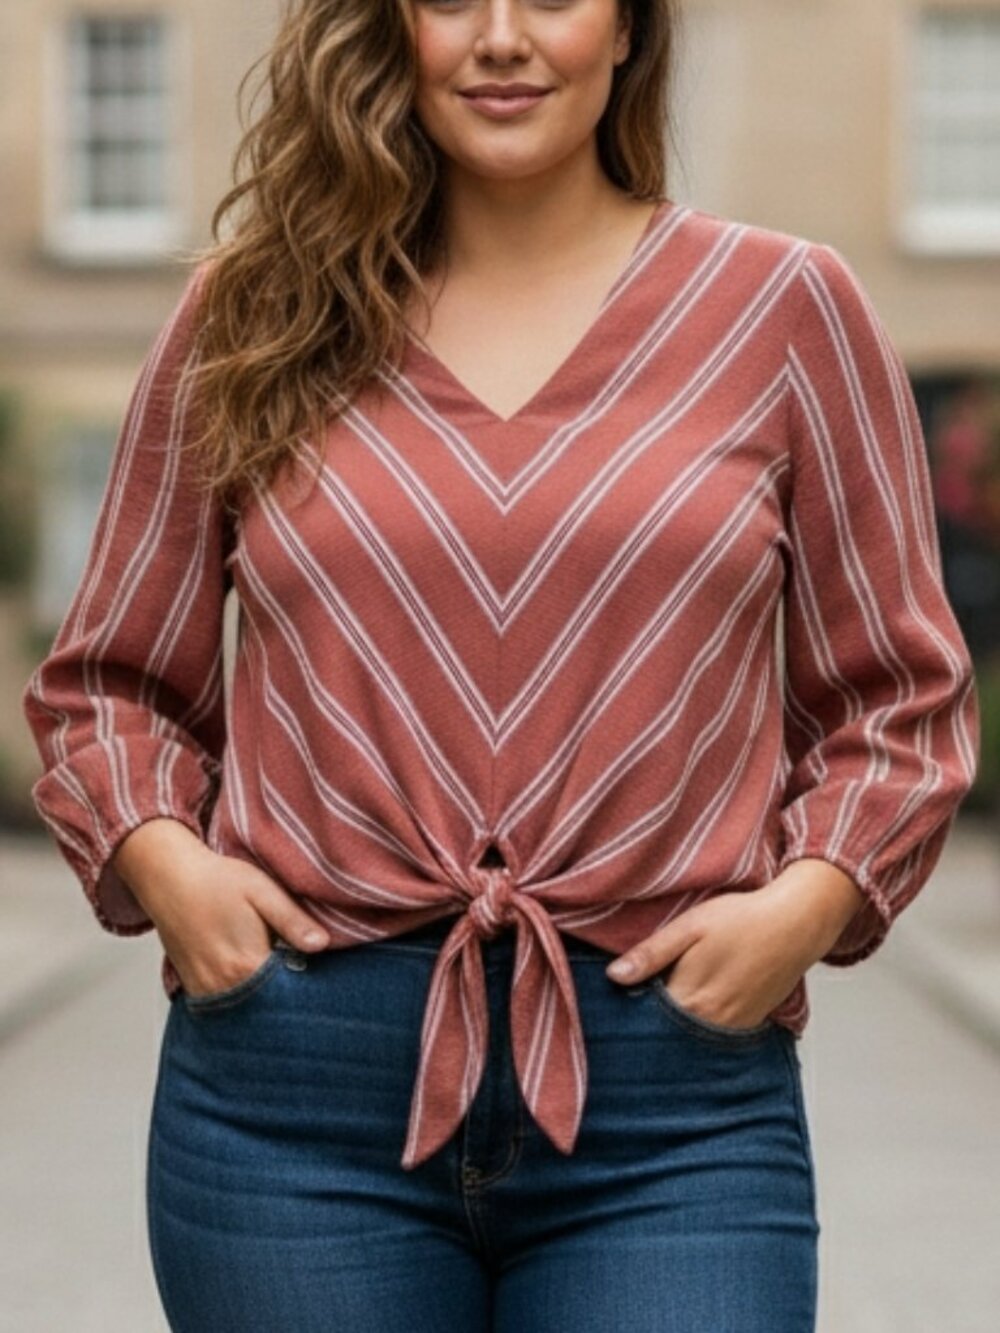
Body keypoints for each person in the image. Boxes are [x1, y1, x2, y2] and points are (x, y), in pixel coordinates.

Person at [21, 1, 980, 1330]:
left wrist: (804, 908)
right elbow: (112, 683)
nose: (504, 37)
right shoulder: (252, 314)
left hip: (672, 1092)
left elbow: (897, 699)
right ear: (389, 27)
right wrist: (173, 873)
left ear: (633, 27)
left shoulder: (788, 309)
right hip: (297, 1087)